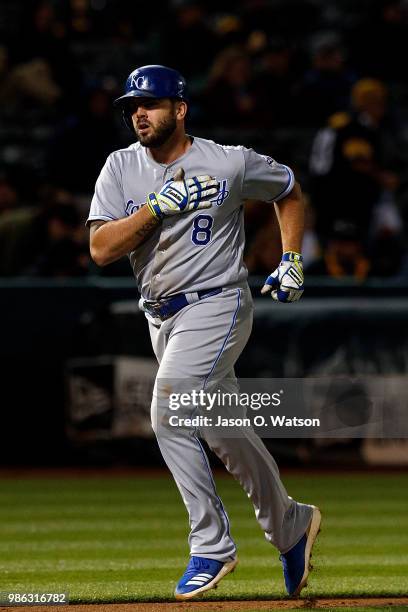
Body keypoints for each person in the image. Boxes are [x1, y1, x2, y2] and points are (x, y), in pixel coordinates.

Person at [87, 64, 321, 600]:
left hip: (217, 304)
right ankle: (291, 525)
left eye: (150, 105)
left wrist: (290, 259)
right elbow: (101, 249)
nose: (139, 114)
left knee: (169, 409)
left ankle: (210, 545)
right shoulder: (120, 167)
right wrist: (154, 209)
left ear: (180, 109)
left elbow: (287, 188)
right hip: (160, 315)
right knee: (224, 431)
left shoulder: (227, 162)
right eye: (132, 107)